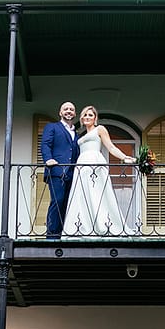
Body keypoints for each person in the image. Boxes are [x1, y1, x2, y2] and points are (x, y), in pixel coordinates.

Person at [63, 106, 136, 236]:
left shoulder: (100, 129)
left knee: (96, 193)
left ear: (95, 118)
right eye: (85, 115)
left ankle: (101, 224)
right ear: (81, 118)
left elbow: (111, 147)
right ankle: (83, 226)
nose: (87, 117)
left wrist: (124, 157)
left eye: (90, 115)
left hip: (94, 161)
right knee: (82, 195)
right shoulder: (81, 135)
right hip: (82, 164)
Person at [40, 101, 80, 238]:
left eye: (71, 109)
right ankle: (52, 235)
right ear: (60, 112)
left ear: (75, 114)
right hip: (56, 171)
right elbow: (45, 144)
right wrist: (48, 160)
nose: (68, 111)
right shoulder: (52, 127)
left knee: (66, 204)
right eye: (66, 109)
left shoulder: (76, 133)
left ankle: (62, 233)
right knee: (57, 200)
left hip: (71, 173)